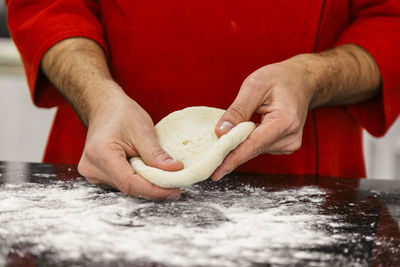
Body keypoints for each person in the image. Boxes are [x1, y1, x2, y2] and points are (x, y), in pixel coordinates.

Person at [6, 0, 400, 200]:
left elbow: (389, 23)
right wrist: (97, 96)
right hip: (109, 164)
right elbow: (51, 6)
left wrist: (312, 79)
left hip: (304, 184)